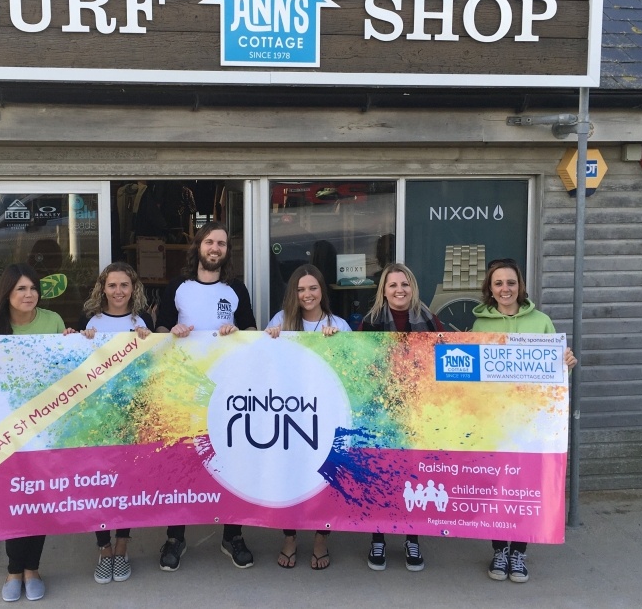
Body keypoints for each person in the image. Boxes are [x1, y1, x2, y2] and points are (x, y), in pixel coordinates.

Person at [154, 221, 258, 571]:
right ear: (198, 245)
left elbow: (253, 333)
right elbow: (160, 331)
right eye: (210, 242)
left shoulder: (236, 289)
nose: (216, 248)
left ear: (227, 252)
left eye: (222, 244)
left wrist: (237, 331)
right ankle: (175, 536)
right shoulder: (177, 287)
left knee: (231, 460)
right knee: (182, 460)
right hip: (185, 389)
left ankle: (233, 534)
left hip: (227, 391)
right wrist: (173, 331)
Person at [0, 263, 74, 602]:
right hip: (7, 427)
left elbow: (65, 367)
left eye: (33, 289)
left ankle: (33, 568)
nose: (29, 295)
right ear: (8, 294)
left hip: (46, 424)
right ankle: (15, 570)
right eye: (21, 289)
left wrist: (73, 346)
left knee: (40, 494)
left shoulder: (53, 321)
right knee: (14, 495)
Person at [471, 257, 577, 584]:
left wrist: (566, 363)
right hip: (495, 423)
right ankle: (498, 549)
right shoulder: (479, 327)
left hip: (532, 422)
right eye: (499, 283)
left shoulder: (541, 321)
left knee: (526, 486)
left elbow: (554, 370)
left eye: (511, 282)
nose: (506, 288)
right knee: (497, 486)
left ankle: (519, 552)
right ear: (490, 288)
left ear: (521, 286)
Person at [360, 262, 445, 572]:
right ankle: (378, 537)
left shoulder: (430, 320)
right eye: (393, 285)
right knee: (381, 475)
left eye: (405, 285)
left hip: (417, 411)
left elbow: (446, 359)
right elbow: (360, 366)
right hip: (381, 410)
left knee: (414, 476)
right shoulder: (369, 323)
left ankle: (412, 538)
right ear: (384, 289)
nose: (399, 290)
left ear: (413, 288)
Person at [264, 264, 350, 570]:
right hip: (289, 416)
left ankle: (320, 538)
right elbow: (265, 365)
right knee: (291, 476)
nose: (307, 294)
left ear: (322, 291)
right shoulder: (281, 321)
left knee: (322, 477)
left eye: (313, 288)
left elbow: (350, 371)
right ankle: (289, 537)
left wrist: (337, 343)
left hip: (325, 417)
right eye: (301, 289)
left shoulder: (338, 324)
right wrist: (270, 337)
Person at [78, 262, 152, 584]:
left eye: (125, 285)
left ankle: (122, 546)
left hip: (130, 413)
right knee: (98, 481)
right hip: (97, 414)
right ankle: (103, 548)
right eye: (112, 286)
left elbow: (152, 364)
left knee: (126, 481)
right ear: (103, 289)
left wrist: (149, 339)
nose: (119, 291)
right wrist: (81, 339)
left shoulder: (142, 321)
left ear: (133, 288)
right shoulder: (91, 321)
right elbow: (78, 365)